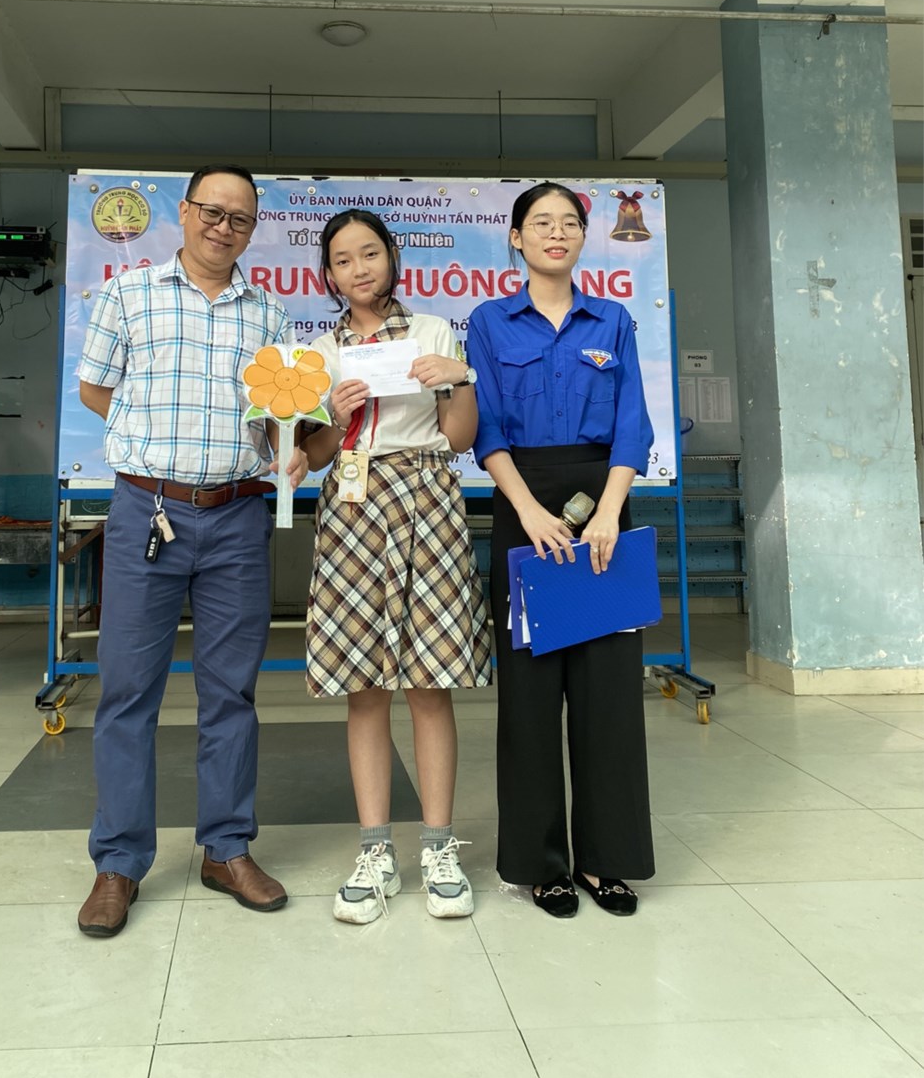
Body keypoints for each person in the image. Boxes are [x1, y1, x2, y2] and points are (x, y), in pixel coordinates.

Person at [75, 164, 306, 937]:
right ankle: (118, 860)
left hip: (238, 516)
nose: (223, 226)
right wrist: (153, 447)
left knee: (231, 691)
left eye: (240, 218)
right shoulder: (127, 295)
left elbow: (283, 416)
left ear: (252, 230)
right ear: (185, 211)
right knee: (127, 690)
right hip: (148, 510)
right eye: (212, 210)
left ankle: (227, 849)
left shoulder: (270, 314)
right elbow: (96, 390)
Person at [468, 180, 655, 918]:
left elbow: (633, 425)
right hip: (525, 507)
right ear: (516, 238)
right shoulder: (489, 321)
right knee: (531, 697)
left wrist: (608, 511)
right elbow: (487, 428)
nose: (556, 232)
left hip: (605, 507)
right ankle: (540, 863)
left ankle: (606, 860)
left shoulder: (613, 320)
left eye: (569, 222)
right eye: (540, 222)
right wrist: (527, 512)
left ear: (582, 236)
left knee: (609, 692)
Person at [300, 210, 491, 925]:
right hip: (352, 501)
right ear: (328, 274)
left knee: (430, 682)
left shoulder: (434, 332)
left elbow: (460, 437)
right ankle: (375, 850)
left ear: (392, 257)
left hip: (428, 495)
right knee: (364, 685)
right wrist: (331, 412)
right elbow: (316, 454)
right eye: (343, 259)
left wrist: (460, 378)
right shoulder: (321, 351)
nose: (359, 269)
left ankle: (439, 848)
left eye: (369, 253)